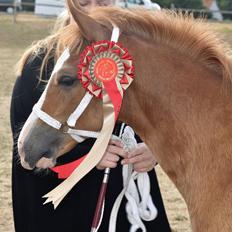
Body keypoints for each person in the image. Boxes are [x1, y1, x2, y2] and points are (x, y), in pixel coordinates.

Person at [10, 0, 171, 231]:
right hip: (69, 207)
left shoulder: (132, 59)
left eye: (104, 2)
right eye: (84, 3)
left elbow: (160, 120)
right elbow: (26, 152)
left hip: (127, 198)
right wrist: (87, 156)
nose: (95, 11)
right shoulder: (40, 63)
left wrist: (155, 150)